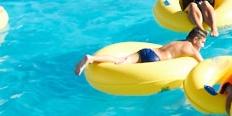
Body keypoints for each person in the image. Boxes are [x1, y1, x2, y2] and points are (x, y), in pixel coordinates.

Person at [74, 29, 208, 75]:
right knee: (122, 66)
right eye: (202, 42)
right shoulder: (191, 48)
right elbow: (202, 64)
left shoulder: (178, 41)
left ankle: (92, 58)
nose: (202, 46)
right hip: (155, 60)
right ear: (195, 39)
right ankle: (90, 59)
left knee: (120, 60)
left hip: (148, 51)